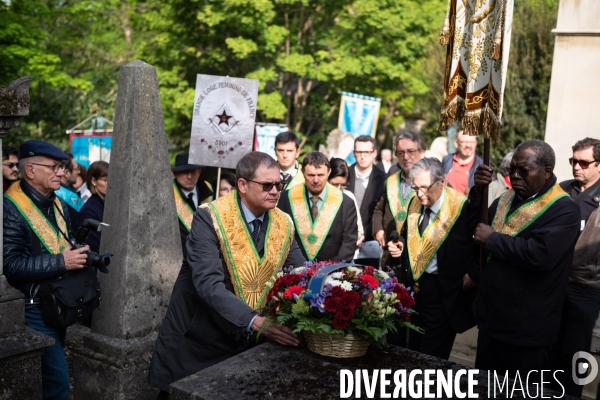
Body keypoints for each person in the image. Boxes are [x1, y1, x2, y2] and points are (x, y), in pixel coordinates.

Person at [148, 152, 306, 399]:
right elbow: (208, 284)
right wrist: (257, 322)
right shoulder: (209, 217)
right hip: (200, 338)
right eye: (267, 185)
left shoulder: (283, 222)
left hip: (248, 340)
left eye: (279, 184)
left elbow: (300, 273)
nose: (275, 191)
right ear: (242, 185)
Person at [471, 139, 580, 379]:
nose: (516, 176)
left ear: (546, 171)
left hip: (527, 327)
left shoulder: (564, 209)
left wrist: (494, 240)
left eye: (524, 171)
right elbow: (475, 229)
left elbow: (540, 254)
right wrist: (478, 192)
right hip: (492, 319)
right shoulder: (506, 198)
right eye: (512, 170)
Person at [3, 140, 90, 400]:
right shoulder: (9, 208)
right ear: (30, 171)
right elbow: (10, 265)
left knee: (50, 379)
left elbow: (65, 242)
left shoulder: (58, 202)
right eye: (54, 167)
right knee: (59, 383)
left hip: (58, 302)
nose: (61, 173)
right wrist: (61, 262)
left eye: (61, 167)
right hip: (34, 307)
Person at [387, 158, 478, 359]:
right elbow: (409, 234)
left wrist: (475, 274)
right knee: (410, 350)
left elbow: (479, 247)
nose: (420, 194)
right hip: (414, 290)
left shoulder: (461, 207)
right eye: (415, 187)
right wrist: (400, 243)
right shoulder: (415, 202)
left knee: (431, 357)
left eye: (425, 188)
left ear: (442, 182)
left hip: (443, 292)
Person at [550, 137, 600, 397]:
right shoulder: (561, 189)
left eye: (584, 162)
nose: (577, 167)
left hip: (586, 287)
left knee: (576, 351)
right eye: (573, 161)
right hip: (555, 280)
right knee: (550, 344)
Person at [277, 151, 358, 262]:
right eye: (311, 175)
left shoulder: (346, 202)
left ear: (329, 172)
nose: (316, 180)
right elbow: (280, 237)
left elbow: (350, 241)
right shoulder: (286, 198)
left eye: (320, 175)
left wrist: (333, 268)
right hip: (295, 269)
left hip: (332, 271)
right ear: (303, 172)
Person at [373, 132, 427, 265]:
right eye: (400, 152)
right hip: (390, 254)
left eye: (411, 151)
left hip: (418, 257)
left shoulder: (433, 182)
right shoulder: (390, 181)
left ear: (422, 152)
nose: (405, 157)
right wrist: (378, 229)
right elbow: (379, 209)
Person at [347, 136, 387, 246]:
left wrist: (363, 234)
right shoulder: (345, 175)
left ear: (374, 153)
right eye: (359, 152)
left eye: (366, 152)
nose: (362, 156)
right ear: (354, 153)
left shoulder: (384, 179)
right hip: (344, 238)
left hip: (370, 240)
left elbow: (382, 213)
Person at [171, 152, 214, 255]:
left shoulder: (209, 190)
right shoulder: (168, 194)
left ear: (199, 172)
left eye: (193, 171)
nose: (189, 176)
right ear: (175, 174)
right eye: (185, 172)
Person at [328, 157, 364, 248]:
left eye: (343, 185)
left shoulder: (349, 197)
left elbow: (359, 230)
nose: (338, 189)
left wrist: (358, 238)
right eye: (334, 184)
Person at [76, 161, 109, 254]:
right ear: (94, 181)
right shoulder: (89, 210)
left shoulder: (108, 204)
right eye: (106, 180)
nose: (110, 183)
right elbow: (95, 245)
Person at [442, 130, 483, 195]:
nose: (468, 145)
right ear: (456, 143)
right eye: (464, 142)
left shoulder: (482, 166)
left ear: (476, 143)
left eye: (471, 142)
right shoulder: (446, 160)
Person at [54, 153, 84, 232]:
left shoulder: (71, 190)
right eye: (76, 169)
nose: (79, 172)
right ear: (66, 173)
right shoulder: (57, 196)